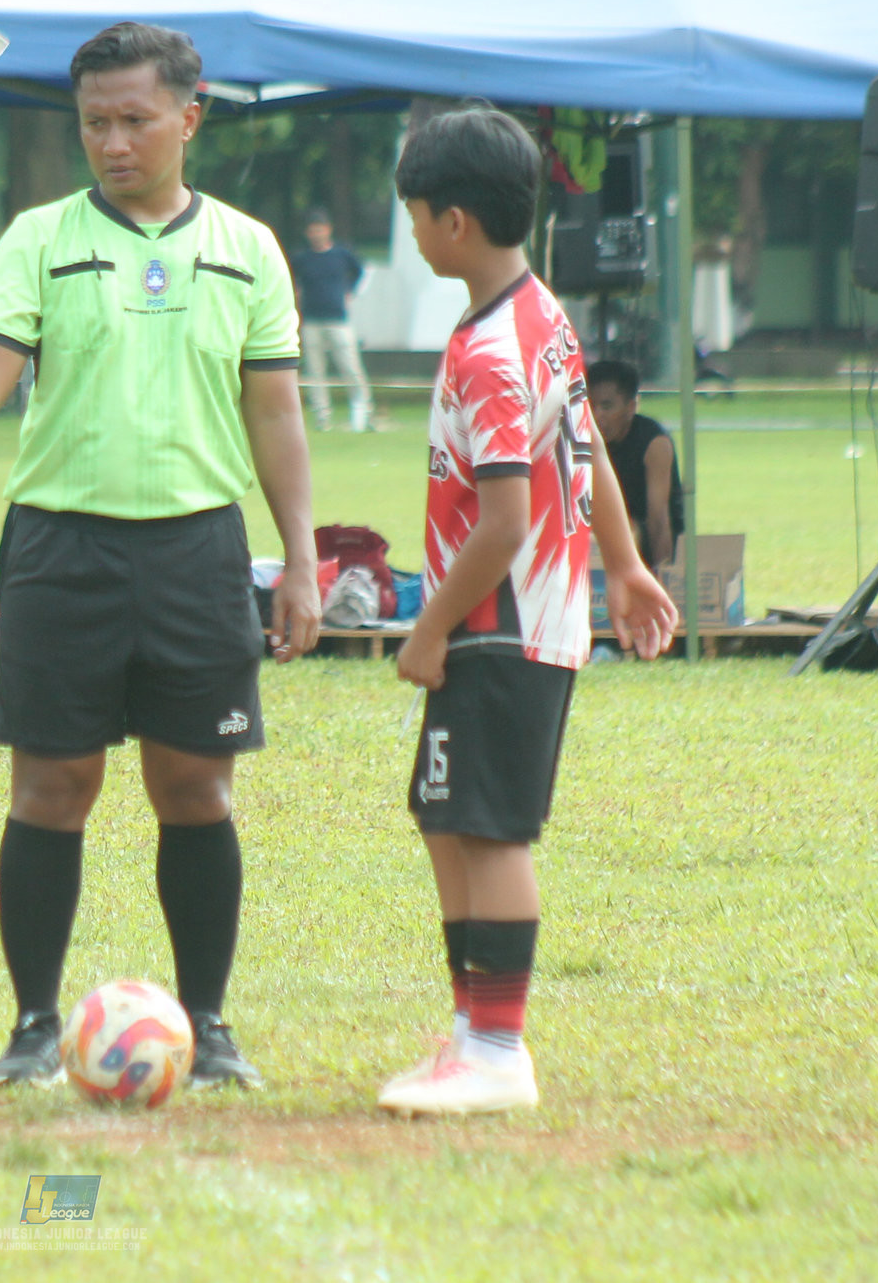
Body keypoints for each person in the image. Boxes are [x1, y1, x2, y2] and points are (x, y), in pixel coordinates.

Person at [0, 22, 322, 1092]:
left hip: (197, 549)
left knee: (195, 788)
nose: (113, 143)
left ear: (188, 118)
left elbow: (274, 413)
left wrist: (300, 560)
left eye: (134, 120)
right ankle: (33, 1025)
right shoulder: (38, 238)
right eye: (93, 124)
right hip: (60, 546)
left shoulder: (248, 248)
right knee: (50, 786)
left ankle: (207, 1026)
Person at [377, 107, 676, 1118]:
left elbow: (505, 522)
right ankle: (471, 1034)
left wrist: (428, 627)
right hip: (504, 625)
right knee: (444, 817)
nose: (413, 231)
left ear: (453, 221)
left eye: (415, 214)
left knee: (490, 832)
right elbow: (582, 444)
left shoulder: (494, 350)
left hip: (497, 627)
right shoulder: (538, 311)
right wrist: (623, 564)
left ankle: (497, 1052)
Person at [585, 358, 683, 566]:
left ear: (631, 407)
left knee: (631, 528)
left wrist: (662, 574)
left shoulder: (654, 443)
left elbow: (659, 520)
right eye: (591, 406)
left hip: (645, 541)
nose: (597, 416)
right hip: (599, 539)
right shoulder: (582, 439)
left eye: (607, 406)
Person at [289, 206, 374, 431]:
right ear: (307, 233)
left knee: (350, 367)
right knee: (315, 371)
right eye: (312, 230)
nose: (316, 234)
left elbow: (360, 272)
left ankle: (362, 412)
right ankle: (322, 417)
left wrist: (349, 291)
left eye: (320, 229)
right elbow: (291, 280)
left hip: (339, 320)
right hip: (311, 321)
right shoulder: (302, 258)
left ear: (328, 230)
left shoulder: (341, 255)